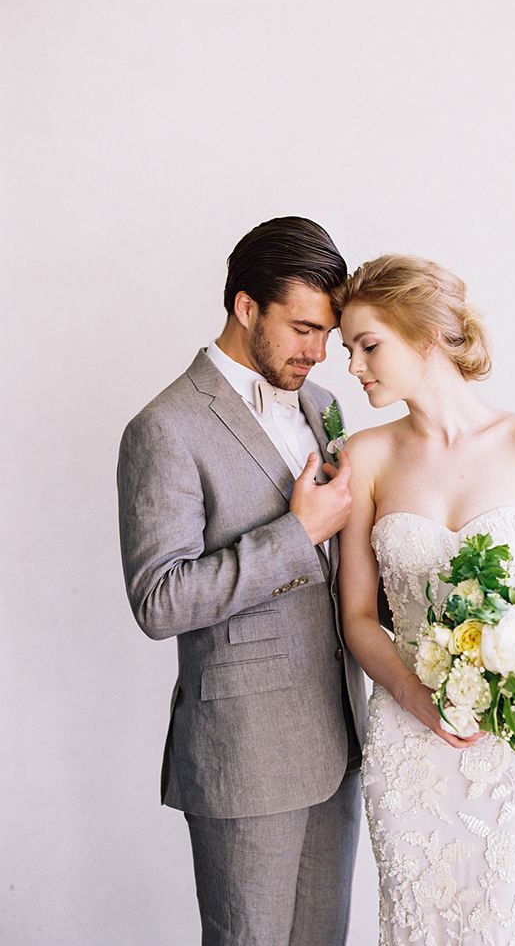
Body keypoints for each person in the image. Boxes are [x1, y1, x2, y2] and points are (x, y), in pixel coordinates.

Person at [334, 255, 515, 946]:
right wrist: (415, 695)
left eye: (368, 345)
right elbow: (357, 617)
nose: (354, 366)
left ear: (425, 336)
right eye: (348, 349)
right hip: (410, 741)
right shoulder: (364, 457)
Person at [117, 217, 367, 946]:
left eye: (327, 334)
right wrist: (296, 534)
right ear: (246, 307)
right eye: (303, 329)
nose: (317, 352)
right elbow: (159, 599)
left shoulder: (322, 407)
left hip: (340, 736)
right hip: (245, 753)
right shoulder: (164, 427)